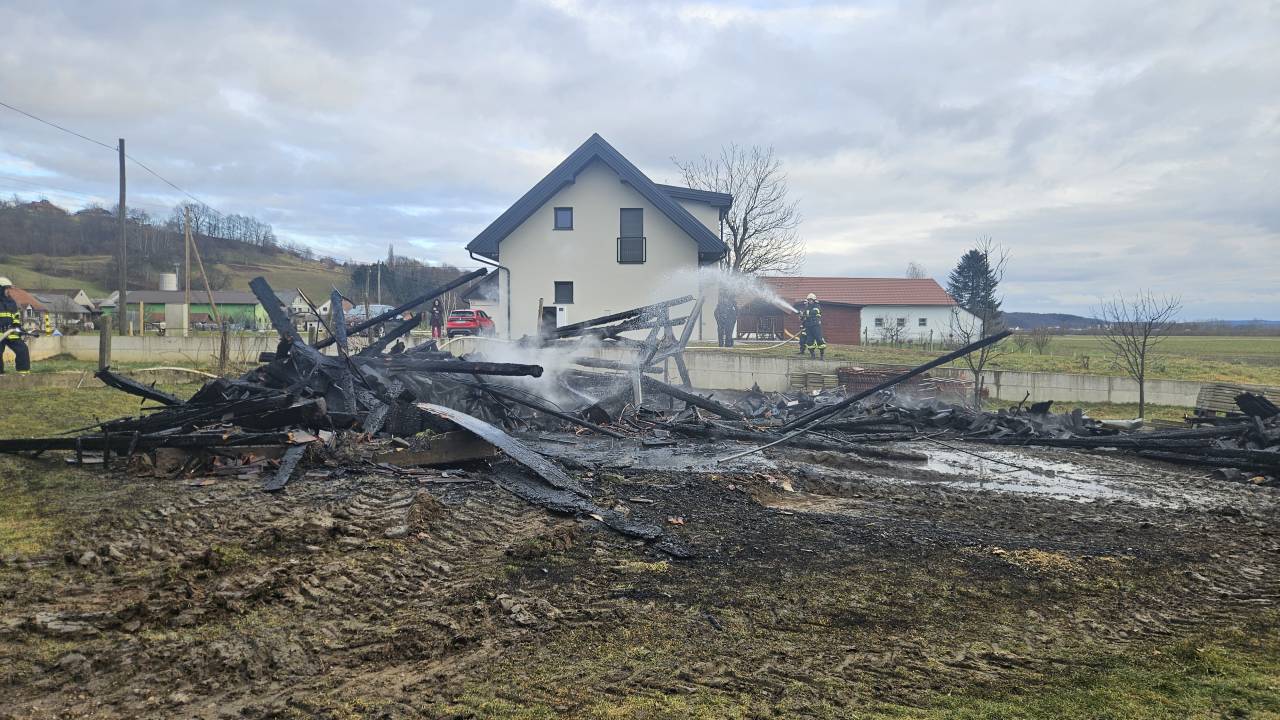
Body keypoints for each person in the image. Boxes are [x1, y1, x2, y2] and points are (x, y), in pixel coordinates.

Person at [0, 278, 31, 374]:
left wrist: (17, 324)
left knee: (22, 349)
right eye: (6, 288)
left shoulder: (11, 302)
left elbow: (16, 315)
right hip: (0, 334)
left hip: (11, 332)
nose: (8, 291)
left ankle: (23, 373)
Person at [799, 292, 826, 359]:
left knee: (819, 340)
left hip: (815, 326)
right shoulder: (807, 308)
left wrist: (805, 314)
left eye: (811, 300)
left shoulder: (817, 306)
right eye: (809, 300)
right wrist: (801, 316)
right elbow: (804, 318)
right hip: (808, 327)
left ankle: (822, 355)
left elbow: (815, 312)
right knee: (809, 341)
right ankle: (812, 355)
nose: (810, 301)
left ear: (814, 300)